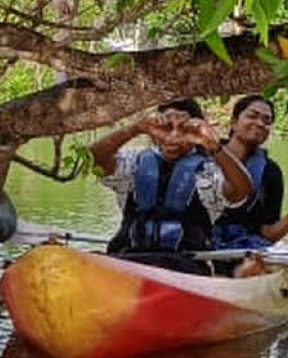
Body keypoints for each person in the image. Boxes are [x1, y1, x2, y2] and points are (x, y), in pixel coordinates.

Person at [90, 98, 252, 274]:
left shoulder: (208, 173)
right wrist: (135, 128)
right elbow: (94, 159)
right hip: (127, 262)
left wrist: (214, 146)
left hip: (183, 269)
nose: (173, 136)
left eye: (184, 129)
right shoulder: (133, 164)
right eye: (165, 128)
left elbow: (240, 190)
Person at [213, 95, 288, 253]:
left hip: (244, 251)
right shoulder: (204, 156)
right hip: (198, 244)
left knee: (251, 268)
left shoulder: (271, 172)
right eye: (252, 116)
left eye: (266, 121)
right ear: (234, 123)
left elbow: (268, 236)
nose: (260, 123)